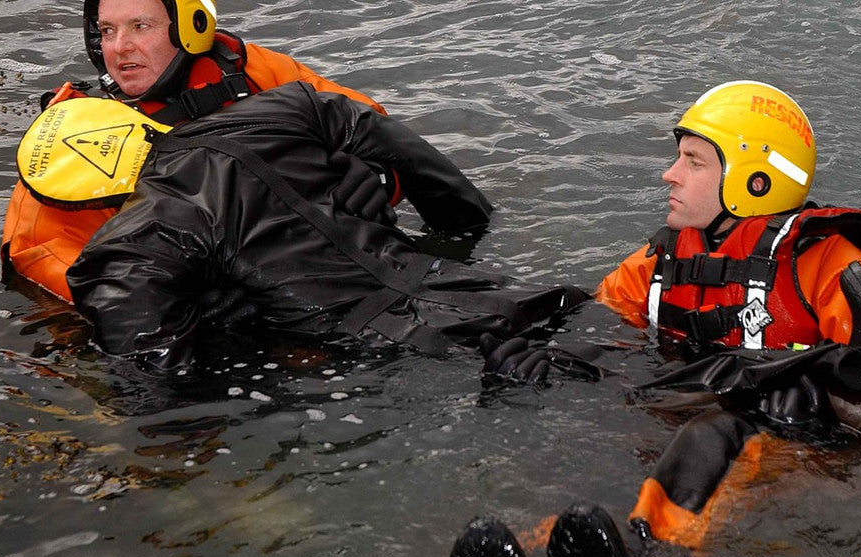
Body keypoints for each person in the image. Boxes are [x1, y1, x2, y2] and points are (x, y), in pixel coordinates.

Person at [450, 80, 861, 557]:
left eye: (693, 162)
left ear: (756, 181)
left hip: (786, 445)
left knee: (712, 434)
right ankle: (538, 546)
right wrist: (548, 364)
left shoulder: (835, 269)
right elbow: (601, 329)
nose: (670, 173)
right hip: (694, 421)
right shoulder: (659, 264)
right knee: (620, 428)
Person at [58, 81, 590, 374]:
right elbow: (424, 167)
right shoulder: (286, 105)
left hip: (397, 359)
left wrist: (226, 330)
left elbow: (159, 384)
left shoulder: (131, 243)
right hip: (489, 292)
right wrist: (467, 239)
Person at [1, 0, 396, 302]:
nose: (119, 48)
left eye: (140, 26)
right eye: (106, 31)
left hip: (331, 271)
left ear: (193, 25)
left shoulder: (257, 73)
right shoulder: (74, 141)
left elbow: (377, 129)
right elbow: (38, 254)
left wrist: (379, 178)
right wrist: (171, 296)